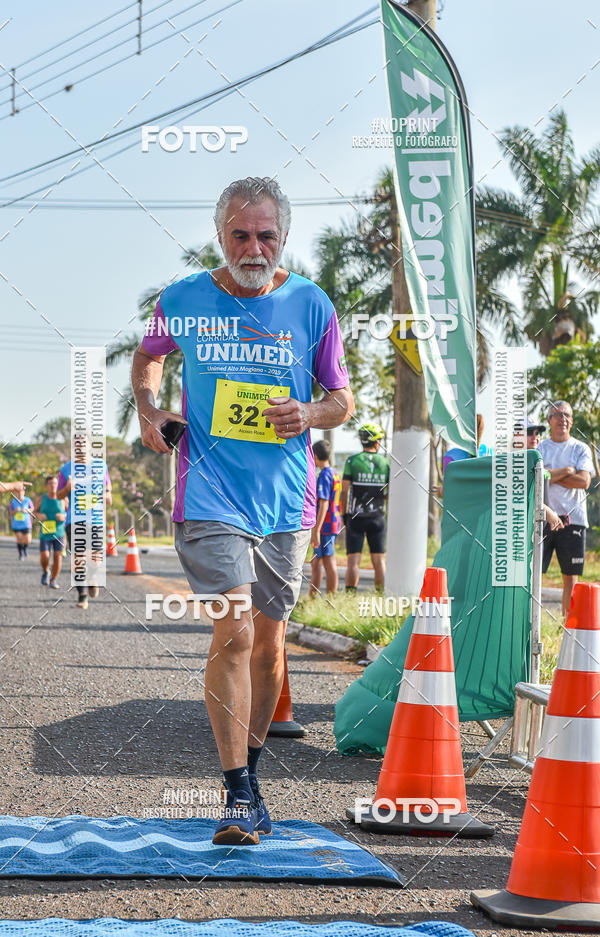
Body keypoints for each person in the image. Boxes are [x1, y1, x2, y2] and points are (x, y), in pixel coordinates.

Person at [131, 177, 353, 845]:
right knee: (235, 632)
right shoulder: (184, 300)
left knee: (270, 642)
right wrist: (150, 411)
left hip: (287, 499)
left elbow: (341, 401)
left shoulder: (311, 305)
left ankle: (251, 777)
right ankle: (233, 792)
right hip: (208, 494)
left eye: (266, 236)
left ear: (283, 239)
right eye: (240, 234)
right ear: (220, 234)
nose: (253, 247)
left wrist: (308, 412)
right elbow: (146, 358)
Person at [537, 401, 595, 617]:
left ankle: (567, 624)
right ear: (549, 420)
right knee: (534, 572)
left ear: (572, 420)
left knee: (570, 577)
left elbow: (584, 481)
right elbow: (538, 478)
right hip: (543, 517)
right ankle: (533, 623)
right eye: (557, 414)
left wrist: (551, 475)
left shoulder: (580, 448)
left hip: (574, 521)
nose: (562, 419)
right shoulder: (541, 448)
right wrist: (567, 471)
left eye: (566, 415)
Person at [57, 445, 112, 609]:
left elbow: (108, 490)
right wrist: (66, 488)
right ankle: (82, 595)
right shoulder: (66, 469)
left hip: (95, 519)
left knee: (96, 560)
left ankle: (92, 578)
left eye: (83, 445)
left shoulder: (101, 466)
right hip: (74, 520)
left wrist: (105, 495)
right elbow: (58, 495)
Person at [341, 423, 390, 593]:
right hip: (377, 517)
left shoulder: (352, 461)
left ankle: (348, 597)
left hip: (356, 517)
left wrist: (343, 514)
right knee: (379, 561)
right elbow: (389, 492)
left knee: (353, 561)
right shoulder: (385, 462)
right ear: (376, 442)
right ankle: (380, 597)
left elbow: (345, 490)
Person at [309, 439, 342, 597]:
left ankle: (331, 598)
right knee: (316, 561)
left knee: (328, 561)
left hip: (326, 526)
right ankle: (312, 597)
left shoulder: (324, 475)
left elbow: (324, 504)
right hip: (331, 523)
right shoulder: (334, 473)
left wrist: (316, 530)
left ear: (314, 456)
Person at [520, 417, 563, 532]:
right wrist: (546, 510)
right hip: (519, 532)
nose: (535, 437)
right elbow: (520, 497)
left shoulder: (535, 460)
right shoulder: (515, 461)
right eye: (529, 433)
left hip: (536, 532)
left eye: (537, 433)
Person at [35, 475, 66, 588]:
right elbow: (33, 513)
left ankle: (53, 579)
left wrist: (64, 516)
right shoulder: (41, 499)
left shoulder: (63, 499)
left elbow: (70, 513)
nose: (53, 486)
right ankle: (46, 571)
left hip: (59, 533)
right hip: (45, 533)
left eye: (55, 483)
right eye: (50, 483)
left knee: (58, 556)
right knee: (45, 556)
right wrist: (39, 515)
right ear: (46, 486)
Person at [9, 483, 34, 559]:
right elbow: (11, 512)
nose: (20, 493)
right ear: (16, 493)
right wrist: (16, 511)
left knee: (28, 540)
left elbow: (32, 509)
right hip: (17, 524)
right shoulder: (13, 501)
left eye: (21, 491)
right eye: (18, 492)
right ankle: (21, 554)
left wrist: (26, 510)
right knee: (19, 539)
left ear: (24, 492)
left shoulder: (28, 500)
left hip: (26, 524)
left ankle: (25, 548)